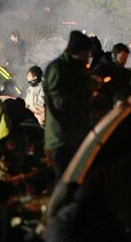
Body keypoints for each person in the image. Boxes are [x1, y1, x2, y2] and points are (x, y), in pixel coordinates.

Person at [43, 30, 93, 175]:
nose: (87, 59)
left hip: (78, 134)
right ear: (77, 52)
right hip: (62, 138)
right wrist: (87, 89)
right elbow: (60, 102)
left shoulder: (75, 68)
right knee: (66, 181)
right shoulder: (58, 69)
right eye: (85, 54)